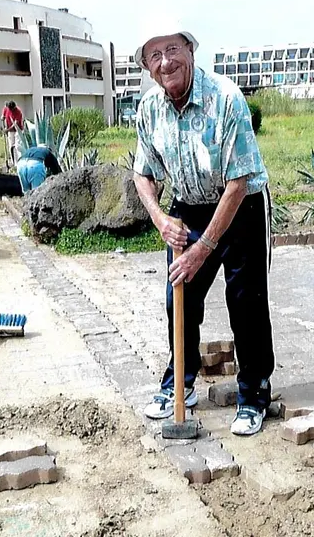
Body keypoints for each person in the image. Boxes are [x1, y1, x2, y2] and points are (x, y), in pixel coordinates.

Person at [132, 22, 275, 436]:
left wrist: (204, 248)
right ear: (147, 66)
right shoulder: (149, 108)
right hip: (187, 207)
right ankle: (180, 382)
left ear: (191, 51)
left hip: (241, 205)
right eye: (155, 55)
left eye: (173, 50)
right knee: (179, 299)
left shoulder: (226, 99)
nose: (166, 62)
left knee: (245, 301)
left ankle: (254, 391)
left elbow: (238, 182)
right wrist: (161, 219)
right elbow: (143, 173)